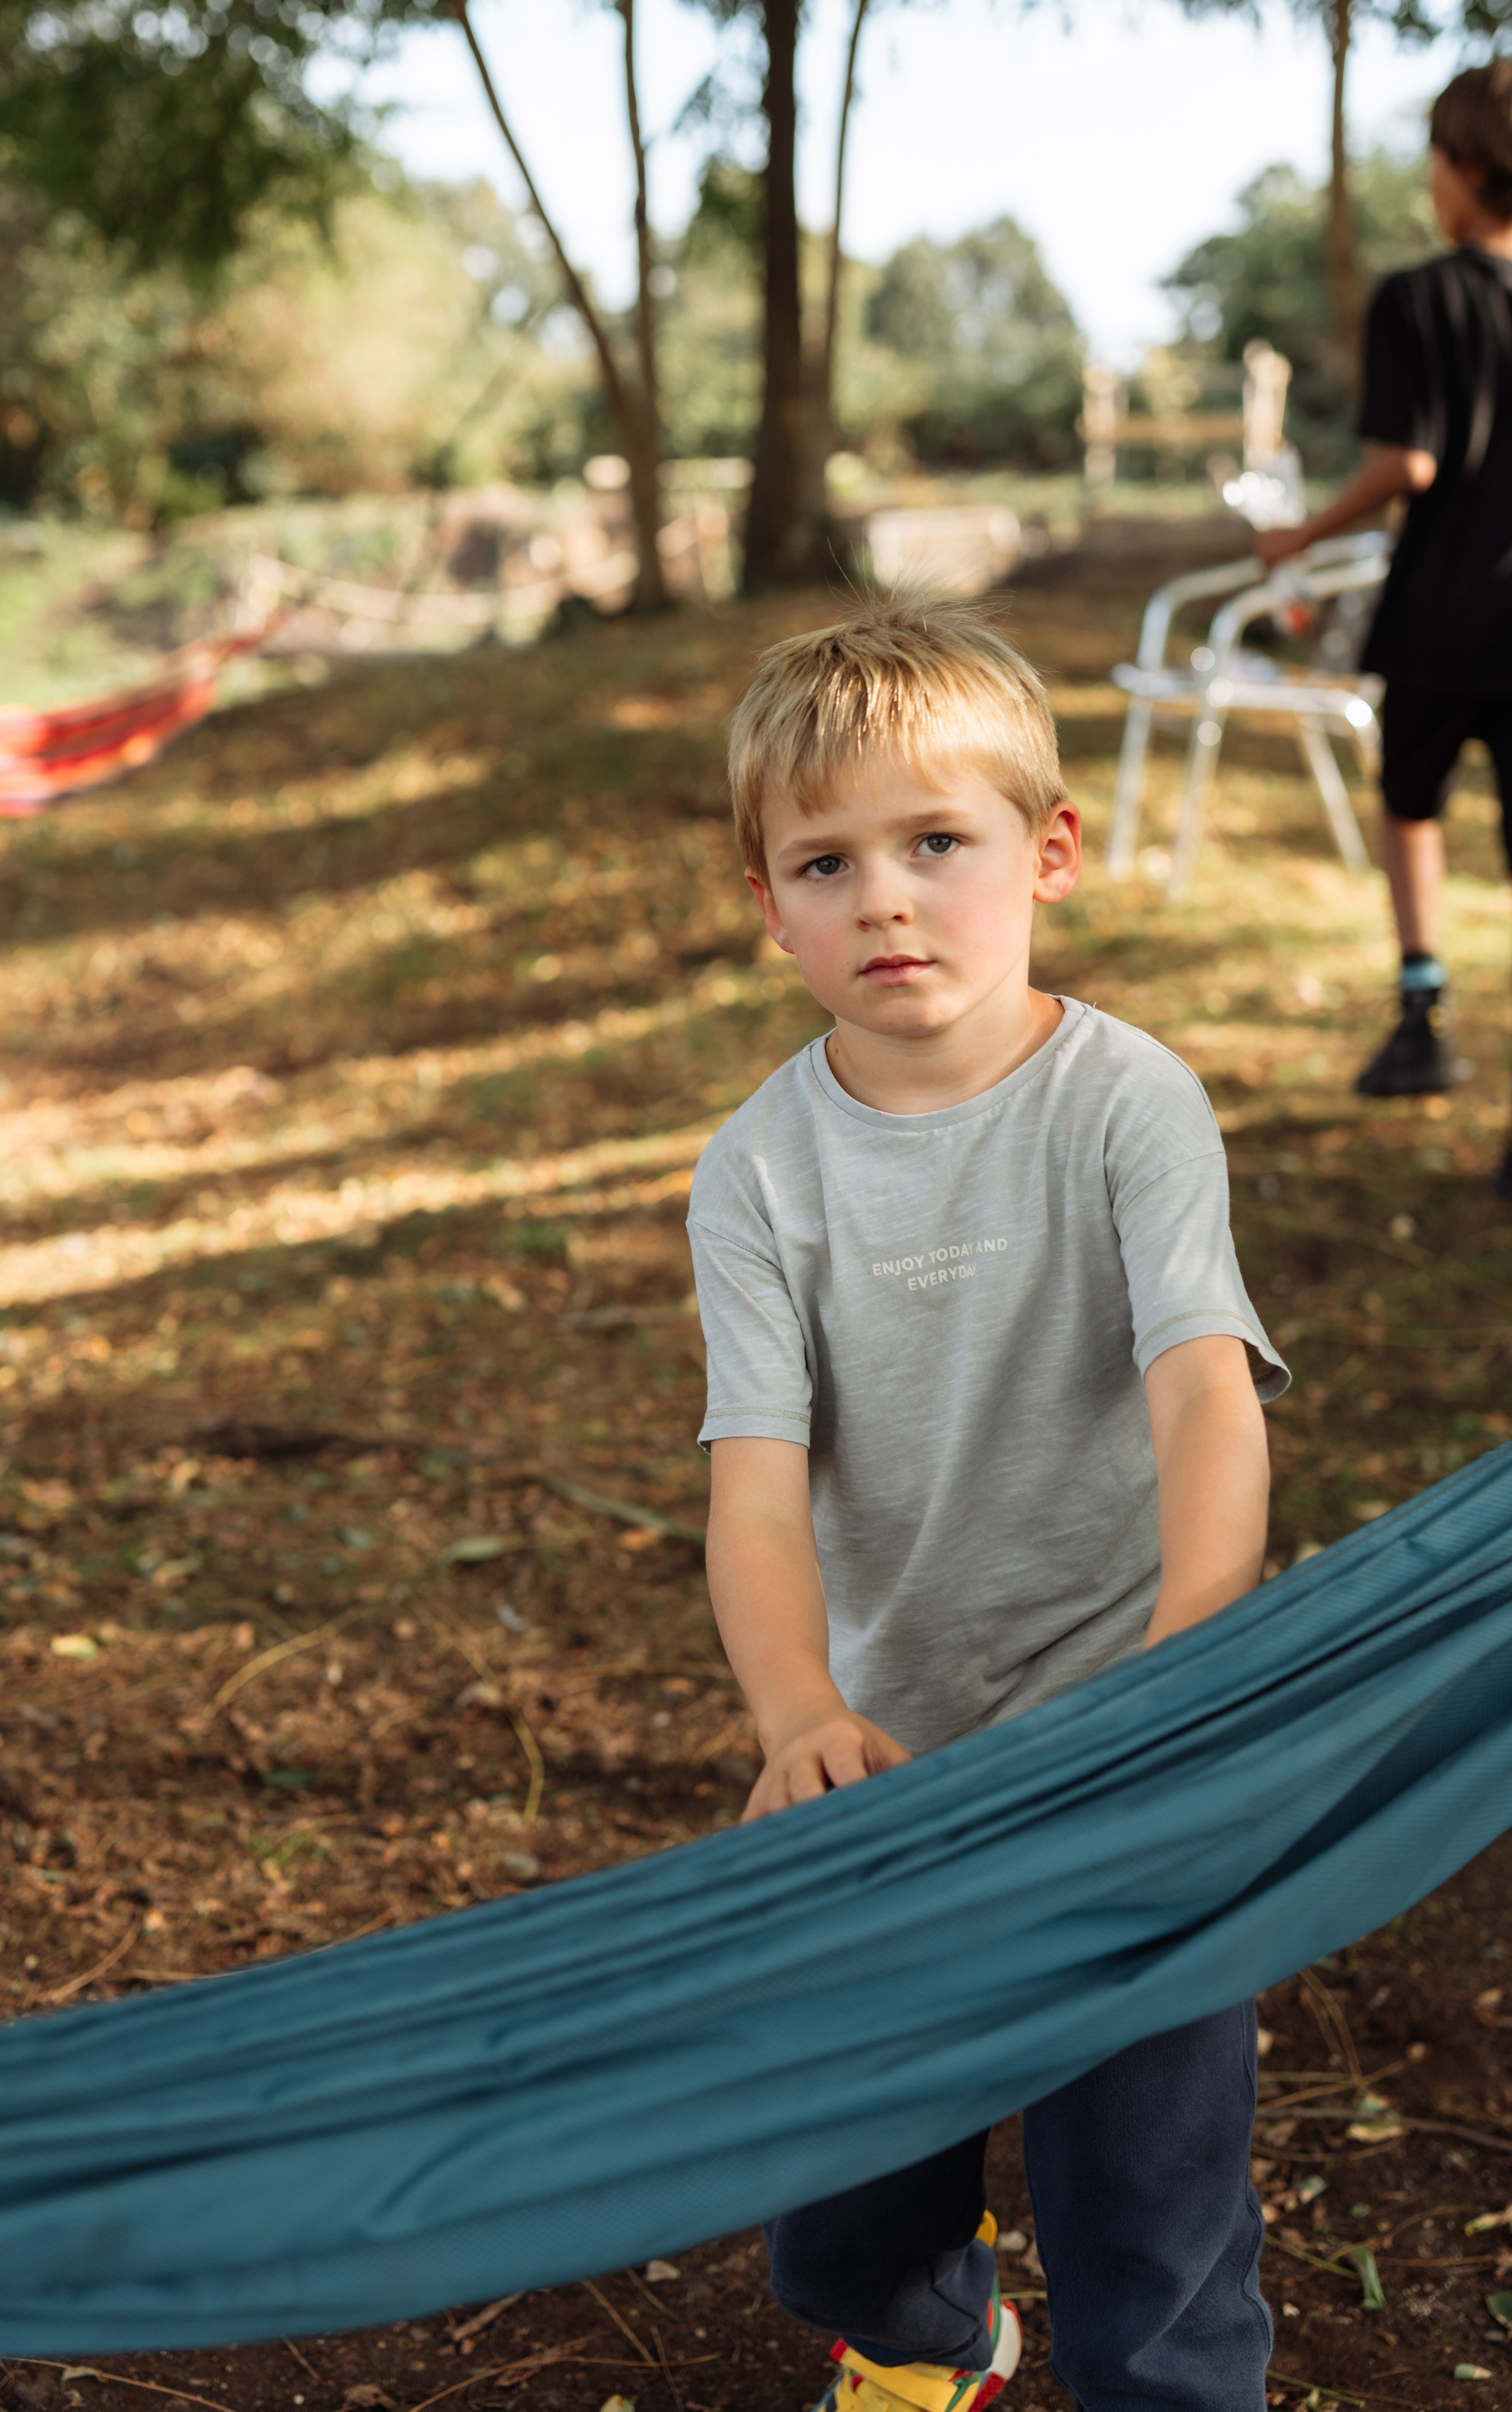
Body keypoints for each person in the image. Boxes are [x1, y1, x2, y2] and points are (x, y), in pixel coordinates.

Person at [687, 594, 1288, 2412]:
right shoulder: (759, 1171)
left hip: (1132, 1748)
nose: (882, 897)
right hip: (898, 1758)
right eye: (825, 861)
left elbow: (1203, 1390)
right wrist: (798, 1714)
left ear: (1049, 853)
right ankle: (931, 2334)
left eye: (934, 844)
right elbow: (758, 1489)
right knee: (847, 2209)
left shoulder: (1128, 1106)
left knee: (1149, 2215)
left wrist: (1195, 1657)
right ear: (769, 903)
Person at [1258, 63, 1512, 1203]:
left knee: (1412, 804)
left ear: (1462, 169)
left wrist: (1301, 532)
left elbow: (1408, 461)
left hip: (1446, 617)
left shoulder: (1418, 298)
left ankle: (1423, 1017)